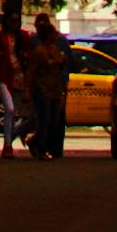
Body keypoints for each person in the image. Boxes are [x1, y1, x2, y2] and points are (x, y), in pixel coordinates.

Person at [28, 13, 70, 160]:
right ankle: (40, 148)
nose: (56, 36)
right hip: (42, 89)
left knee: (54, 120)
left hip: (55, 88)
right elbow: (36, 69)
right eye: (53, 33)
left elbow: (63, 62)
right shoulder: (39, 51)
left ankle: (40, 143)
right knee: (44, 119)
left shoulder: (55, 48)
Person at [0, 6, 30, 160]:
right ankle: (7, 144)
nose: (15, 24)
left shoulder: (23, 37)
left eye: (17, 21)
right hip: (3, 76)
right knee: (10, 108)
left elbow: (28, 54)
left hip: (19, 76)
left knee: (23, 112)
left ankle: (11, 139)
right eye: (12, 21)